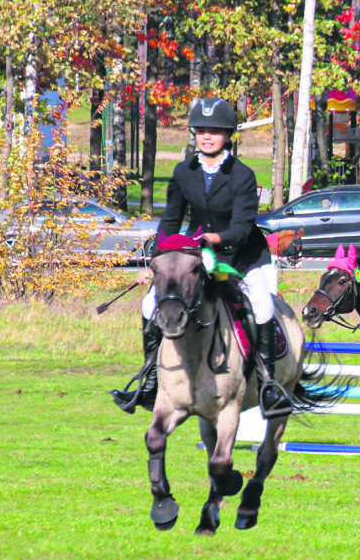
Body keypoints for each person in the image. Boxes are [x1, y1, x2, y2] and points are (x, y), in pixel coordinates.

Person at [112, 97, 291, 417]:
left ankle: (267, 384)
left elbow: (242, 227)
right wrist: (157, 264)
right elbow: (170, 222)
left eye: (215, 131)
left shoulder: (243, 176)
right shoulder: (184, 172)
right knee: (149, 303)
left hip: (241, 258)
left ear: (228, 136)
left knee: (263, 306)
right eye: (202, 130)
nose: (207, 136)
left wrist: (215, 240)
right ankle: (150, 381)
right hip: (196, 258)